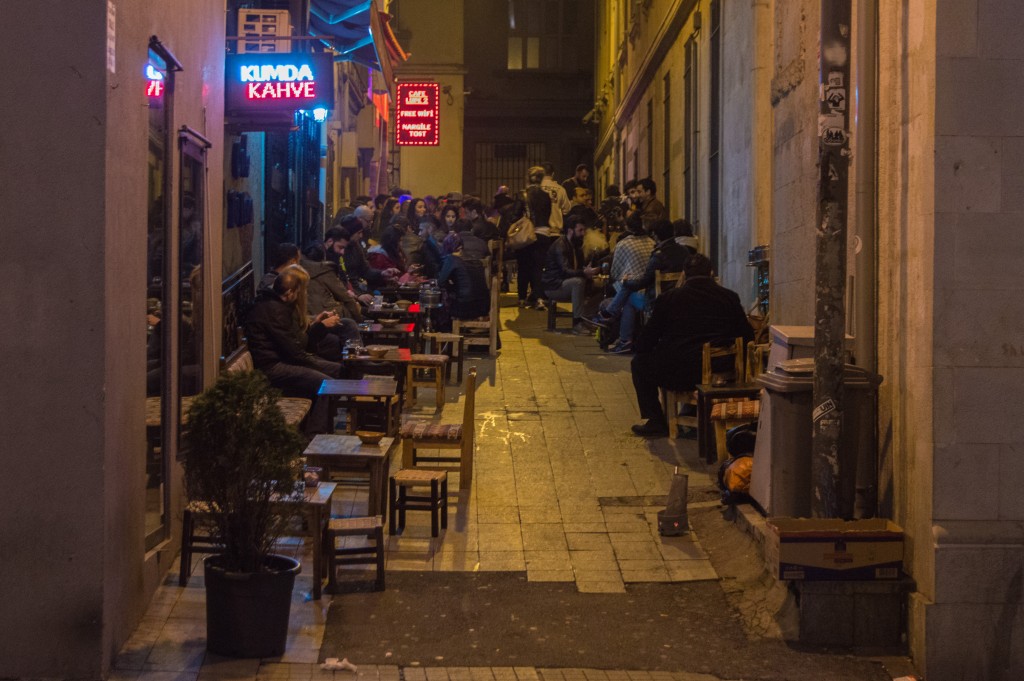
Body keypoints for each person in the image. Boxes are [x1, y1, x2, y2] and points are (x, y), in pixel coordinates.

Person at [629, 254, 754, 437]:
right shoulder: (729, 297)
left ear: (684, 274)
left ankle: (656, 421)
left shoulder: (668, 299)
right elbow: (746, 335)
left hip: (678, 371)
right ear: (711, 273)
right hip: (719, 371)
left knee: (639, 363)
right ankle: (692, 409)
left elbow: (647, 340)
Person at [244, 266, 345, 434]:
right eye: (301, 291)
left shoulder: (279, 306)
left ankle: (323, 428)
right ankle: (315, 436)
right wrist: (319, 328)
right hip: (272, 367)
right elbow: (296, 351)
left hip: (282, 360)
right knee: (328, 384)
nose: (303, 295)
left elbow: (297, 343)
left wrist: (315, 324)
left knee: (337, 369)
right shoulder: (274, 310)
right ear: (290, 292)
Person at [597, 213, 655, 353]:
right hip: (650, 291)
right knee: (627, 294)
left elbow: (615, 273)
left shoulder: (624, 244)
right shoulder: (652, 243)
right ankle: (624, 339)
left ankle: (614, 319)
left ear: (627, 227)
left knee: (626, 291)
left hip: (644, 298)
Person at [542, 215, 601, 335]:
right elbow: (565, 271)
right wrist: (583, 273)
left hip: (565, 282)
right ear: (570, 230)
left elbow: (578, 268)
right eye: (580, 230)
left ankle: (587, 319)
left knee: (600, 286)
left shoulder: (575, 246)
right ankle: (577, 323)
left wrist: (588, 271)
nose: (583, 233)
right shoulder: (560, 245)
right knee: (578, 283)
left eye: (584, 230)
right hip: (555, 285)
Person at [519, 166, 554, 310]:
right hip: (544, 234)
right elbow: (548, 214)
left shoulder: (523, 195)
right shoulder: (546, 196)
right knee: (539, 268)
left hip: (527, 235)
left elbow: (515, 214)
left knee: (524, 266)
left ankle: (522, 298)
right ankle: (538, 298)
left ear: (527, 178)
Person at [438, 231, 490, 323]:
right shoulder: (473, 258)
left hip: (465, 307)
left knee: (443, 302)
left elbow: (441, 282)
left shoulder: (451, 259)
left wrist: (451, 288)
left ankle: (444, 326)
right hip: (484, 305)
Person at [540, 161, 572, 236]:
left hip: (540, 232)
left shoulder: (535, 189)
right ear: (553, 174)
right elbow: (567, 210)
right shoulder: (560, 189)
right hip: (555, 232)